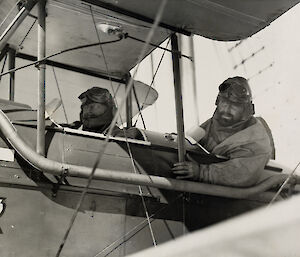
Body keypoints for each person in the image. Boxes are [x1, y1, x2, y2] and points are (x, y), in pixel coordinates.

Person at [171, 76, 273, 187]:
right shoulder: (213, 124)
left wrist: (201, 172)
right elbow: (190, 142)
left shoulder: (256, 138)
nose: (227, 109)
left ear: (247, 109)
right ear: (218, 101)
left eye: (235, 105)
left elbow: (241, 172)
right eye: (224, 102)